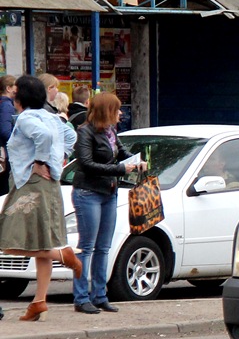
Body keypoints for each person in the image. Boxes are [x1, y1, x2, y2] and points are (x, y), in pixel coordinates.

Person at [0, 75, 80, 321]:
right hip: (49, 183)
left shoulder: (26, 118)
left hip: (31, 184)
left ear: (20, 97)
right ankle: (39, 301)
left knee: (10, 239)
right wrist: (56, 161)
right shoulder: (52, 116)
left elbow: (44, 138)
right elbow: (71, 138)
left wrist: (39, 162)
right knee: (42, 241)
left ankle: (64, 256)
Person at [70, 92, 142, 314]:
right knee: (87, 246)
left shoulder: (110, 131)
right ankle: (81, 297)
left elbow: (121, 152)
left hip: (109, 191)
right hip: (88, 192)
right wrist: (121, 169)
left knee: (104, 246)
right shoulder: (85, 132)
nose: (121, 113)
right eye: (117, 109)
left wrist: (136, 161)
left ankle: (100, 295)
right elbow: (86, 163)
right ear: (106, 111)